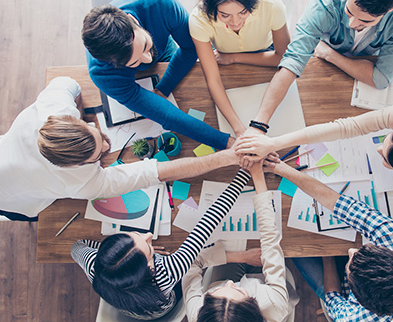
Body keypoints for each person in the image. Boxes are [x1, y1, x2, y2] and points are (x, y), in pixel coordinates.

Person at [0, 77, 238, 221]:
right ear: (76, 166)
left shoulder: (55, 108)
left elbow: (66, 83)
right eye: (98, 155)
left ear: (73, 120)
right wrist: (227, 157)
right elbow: (160, 172)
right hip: (10, 199)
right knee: (29, 214)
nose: (107, 144)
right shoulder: (84, 183)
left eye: (96, 133)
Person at [245, 0, 393, 134]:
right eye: (349, 12)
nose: (352, 23)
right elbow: (292, 62)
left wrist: (330, 54)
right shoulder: (324, 2)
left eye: (365, 21)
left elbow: (380, 79)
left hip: (335, 63)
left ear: (392, 8)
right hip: (324, 68)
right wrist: (258, 125)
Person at [267, 160, 393, 322]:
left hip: (340, 295)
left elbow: (333, 296)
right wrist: (279, 167)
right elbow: (339, 202)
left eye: (350, 263)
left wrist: (328, 257)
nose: (351, 250)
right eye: (362, 251)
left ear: (355, 294)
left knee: (292, 249)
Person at [72, 169, 260, 319]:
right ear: (149, 267)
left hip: (128, 303)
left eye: (136, 235)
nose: (149, 234)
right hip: (162, 307)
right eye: (149, 249)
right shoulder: (169, 272)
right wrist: (244, 173)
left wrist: (133, 254)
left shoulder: (93, 263)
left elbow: (77, 246)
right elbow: (209, 220)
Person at [82, 0, 232, 150]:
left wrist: (163, 88)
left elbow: (190, 48)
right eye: (135, 61)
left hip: (165, 48)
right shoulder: (101, 73)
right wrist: (227, 143)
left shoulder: (159, 1)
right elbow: (168, 117)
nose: (148, 59)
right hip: (125, 78)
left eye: (145, 45)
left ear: (132, 20)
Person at [236, 104, 393, 204]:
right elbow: (347, 126)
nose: (377, 148)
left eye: (385, 158)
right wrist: (273, 142)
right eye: (387, 138)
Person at [182, 162, 299, 322]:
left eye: (217, 291)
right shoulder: (272, 304)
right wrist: (257, 175)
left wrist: (240, 256)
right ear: (255, 305)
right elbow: (271, 241)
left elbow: (191, 261)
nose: (229, 283)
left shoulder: (198, 316)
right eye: (238, 290)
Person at [189, 0, 290, 137]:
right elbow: (213, 80)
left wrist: (235, 57)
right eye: (225, 15)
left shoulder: (271, 5)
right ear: (212, 9)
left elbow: (284, 58)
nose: (235, 22)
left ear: (252, 2)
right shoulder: (199, 19)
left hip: (266, 52)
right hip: (223, 59)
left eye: (243, 12)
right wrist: (239, 130)